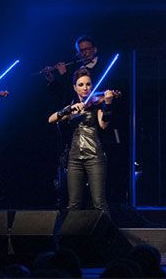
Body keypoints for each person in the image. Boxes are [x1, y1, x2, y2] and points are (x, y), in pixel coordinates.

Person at [48, 68, 117, 213]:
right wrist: (69, 109)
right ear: (74, 87)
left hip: (94, 156)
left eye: (88, 84)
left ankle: (107, 235)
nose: (85, 88)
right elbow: (51, 119)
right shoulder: (72, 107)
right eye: (81, 85)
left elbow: (104, 124)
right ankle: (75, 235)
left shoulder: (97, 105)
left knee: (99, 203)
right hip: (74, 158)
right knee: (74, 204)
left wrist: (108, 104)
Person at [44, 35, 99, 106]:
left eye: (87, 49)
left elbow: (88, 89)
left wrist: (64, 74)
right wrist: (52, 80)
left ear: (95, 50)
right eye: (81, 51)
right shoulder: (77, 68)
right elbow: (66, 94)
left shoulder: (103, 65)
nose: (85, 53)